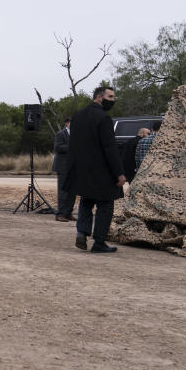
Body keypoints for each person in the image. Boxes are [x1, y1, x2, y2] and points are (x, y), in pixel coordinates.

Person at [65, 86, 126, 253]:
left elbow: (74, 145)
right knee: (105, 206)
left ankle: (82, 232)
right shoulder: (103, 118)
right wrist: (119, 173)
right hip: (102, 171)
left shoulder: (77, 116)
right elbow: (110, 148)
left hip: (83, 169)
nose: (113, 100)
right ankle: (99, 242)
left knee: (86, 201)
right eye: (110, 96)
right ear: (99, 97)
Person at [51, 117, 76, 222]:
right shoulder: (60, 134)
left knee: (73, 191)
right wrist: (73, 146)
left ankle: (68, 213)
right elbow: (58, 147)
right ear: (67, 123)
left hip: (74, 167)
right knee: (63, 191)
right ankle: (60, 214)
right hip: (62, 167)